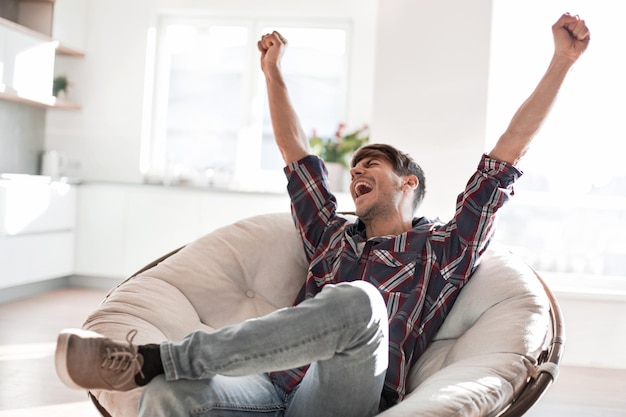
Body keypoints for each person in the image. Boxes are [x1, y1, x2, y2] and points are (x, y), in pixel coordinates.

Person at [55, 12, 590, 416]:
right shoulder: (329, 234)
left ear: (409, 183)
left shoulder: (445, 248)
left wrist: (561, 62)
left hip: (343, 397)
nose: (356, 172)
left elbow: (506, 156)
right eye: (355, 167)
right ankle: (162, 368)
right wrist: (271, 72)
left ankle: (159, 356)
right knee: (166, 395)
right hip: (265, 386)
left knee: (358, 301)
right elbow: (297, 156)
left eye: (371, 165)